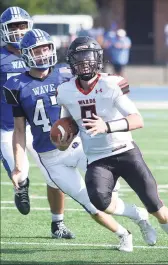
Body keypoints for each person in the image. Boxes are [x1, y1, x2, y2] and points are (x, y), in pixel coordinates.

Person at [4, 29, 157, 251]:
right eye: (37, 50)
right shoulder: (16, 85)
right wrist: (19, 167)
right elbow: (19, 130)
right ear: (26, 53)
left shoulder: (66, 73)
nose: (43, 53)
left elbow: (98, 82)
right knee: (90, 203)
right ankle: (125, 233)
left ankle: (140, 216)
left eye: (46, 48)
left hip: (78, 146)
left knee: (106, 196)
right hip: (49, 157)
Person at [56, 36, 168, 264]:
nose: (84, 63)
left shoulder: (111, 84)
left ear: (98, 59)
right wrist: (62, 141)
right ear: (71, 62)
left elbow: (138, 120)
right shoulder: (65, 91)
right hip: (98, 158)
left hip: (125, 150)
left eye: (89, 57)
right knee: (100, 202)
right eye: (79, 58)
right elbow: (69, 126)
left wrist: (106, 126)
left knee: (156, 205)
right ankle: (138, 216)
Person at [0, 6, 74, 239]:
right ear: (4, 30)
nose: (19, 31)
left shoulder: (41, 50)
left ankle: (58, 224)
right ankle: (22, 187)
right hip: (9, 128)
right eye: (13, 27)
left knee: (56, 176)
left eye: (22, 25)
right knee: (20, 176)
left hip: (40, 127)